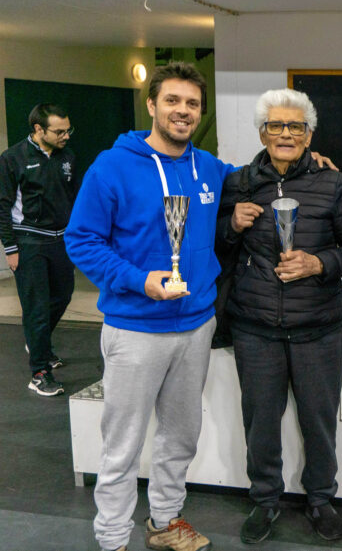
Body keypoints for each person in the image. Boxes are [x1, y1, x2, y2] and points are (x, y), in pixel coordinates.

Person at [65, 62, 231, 551]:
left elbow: (255, 180)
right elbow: (81, 240)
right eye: (173, 100)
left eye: (193, 104)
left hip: (196, 326)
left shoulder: (208, 167)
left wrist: (307, 157)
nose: (183, 111)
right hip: (136, 328)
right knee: (122, 445)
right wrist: (139, 281)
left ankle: (165, 522)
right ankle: (113, 538)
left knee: (180, 437)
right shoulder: (111, 167)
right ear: (153, 104)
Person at [217, 88, 342, 544]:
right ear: (262, 133)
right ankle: (265, 499)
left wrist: (318, 263)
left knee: (319, 422)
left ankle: (320, 499)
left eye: (295, 126)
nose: (285, 134)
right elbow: (216, 246)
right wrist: (232, 225)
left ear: (309, 134)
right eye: (276, 126)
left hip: (318, 326)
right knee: (260, 421)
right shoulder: (238, 183)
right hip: (255, 326)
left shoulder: (333, 183)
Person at [0, 103, 76, 396]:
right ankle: (40, 373)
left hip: (60, 240)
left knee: (63, 296)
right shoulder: (12, 158)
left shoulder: (67, 157)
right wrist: (10, 248)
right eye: (59, 131)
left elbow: (71, 197)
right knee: (37, 309)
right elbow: (3, 206)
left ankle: (37, 341)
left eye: (68, 130)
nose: (65, 136)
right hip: (29, 242)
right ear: (38, 129)